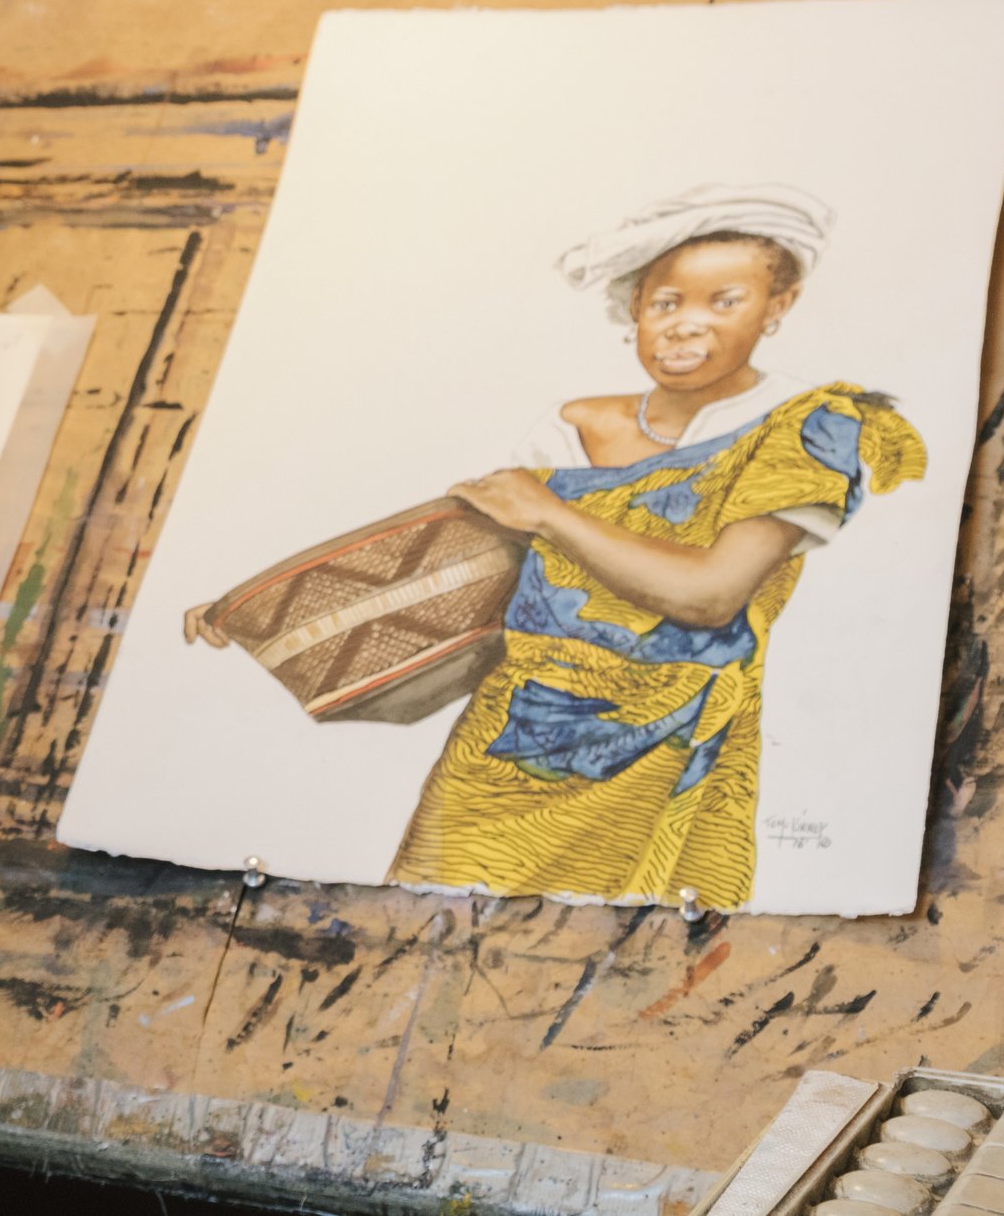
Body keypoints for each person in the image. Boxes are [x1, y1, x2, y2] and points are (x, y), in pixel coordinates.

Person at [391, 184, 925, 908]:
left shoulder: (806, 428)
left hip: (672, 748)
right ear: (634, 311)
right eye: (665, 303)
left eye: (724, 301)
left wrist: (550, 513)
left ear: (779, 305)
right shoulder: (570, 424)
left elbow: (710, 595)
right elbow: (496, 580)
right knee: (431, 921)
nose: (684, 325)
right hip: (509, 739)